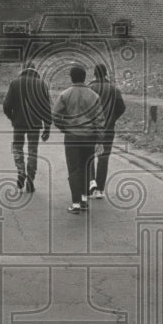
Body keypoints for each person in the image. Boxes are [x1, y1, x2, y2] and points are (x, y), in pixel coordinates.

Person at [52, 65, 105, 213]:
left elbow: (55, 115)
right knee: (86, 167)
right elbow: (100, 119)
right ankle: (84, 200)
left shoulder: (65, 94)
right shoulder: (94, 96)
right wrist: (100, 138)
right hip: (89, 137)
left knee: (74, 169)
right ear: (84, 77)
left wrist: (64, 127)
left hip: (72, 137)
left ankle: (75, 204)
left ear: (71, 77)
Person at [2, 62, 51, 193]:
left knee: (17, 148)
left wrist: (12, 117)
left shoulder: (15, 83)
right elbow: (46, 108)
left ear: (23, 69)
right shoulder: (42, 84)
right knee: (32, 151)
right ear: (35, 70)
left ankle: (21, 171)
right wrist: (47, 127)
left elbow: (6, 105)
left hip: (18, 123)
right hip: (35, 124)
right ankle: (30, 179)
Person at [87, 63, 126, 200]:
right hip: (108, 129)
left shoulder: (89, 89)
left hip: (91, 129)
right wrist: (112, 119)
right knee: (103, 158)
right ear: (105, 74)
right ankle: (100, 189)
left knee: (89, 156)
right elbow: (121, 107)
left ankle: (91, 185)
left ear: (94, 74)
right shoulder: (114, 90)